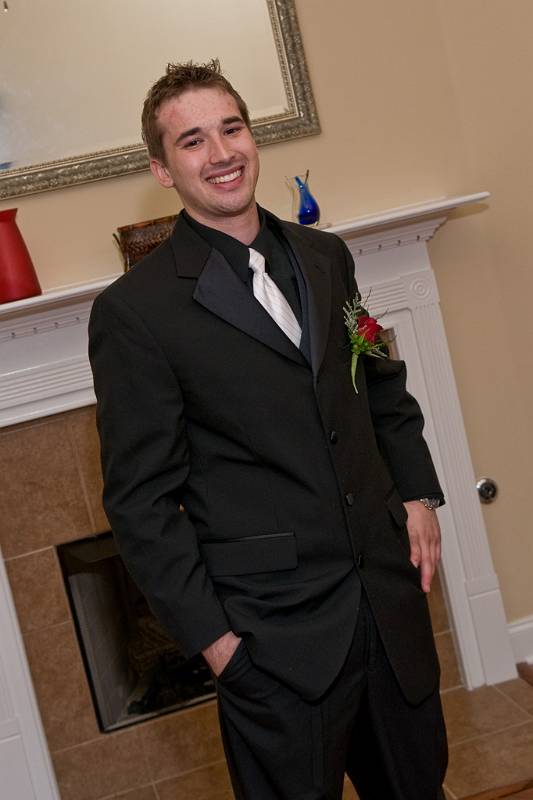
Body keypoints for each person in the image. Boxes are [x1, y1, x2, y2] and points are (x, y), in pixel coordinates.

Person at [89, 59, 448, 799]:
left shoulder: (326, 257)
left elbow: (380, 387)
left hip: (388, 613)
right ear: (161, 169)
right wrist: (218, 645)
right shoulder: (136, 313)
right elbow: (140, 504)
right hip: (272, 646)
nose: (221, 153)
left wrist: (417, 494)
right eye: (192, 141)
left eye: (232, 129)